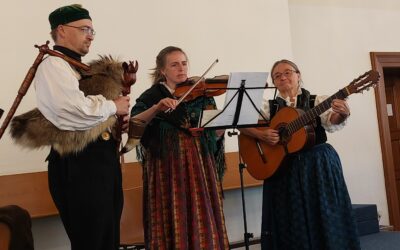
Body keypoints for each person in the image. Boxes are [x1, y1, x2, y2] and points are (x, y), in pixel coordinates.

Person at [34, 4, 130, 250]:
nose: (90, 35)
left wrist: (116, 122)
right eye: (85, 29)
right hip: (79, 165)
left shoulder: (77, 67)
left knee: (108, 240)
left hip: (101, 163)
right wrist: (112, 107)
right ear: (62, 30)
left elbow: (89, 114)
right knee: (91, 241)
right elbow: (71, 111)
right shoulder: (53, 66)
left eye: (92, 30)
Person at [241, 59, 361, 250]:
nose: (283, 77)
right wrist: (261, 134)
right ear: (273, 82)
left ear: (299, 75)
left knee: (324, 214)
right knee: (288, 217)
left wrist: (343, 114)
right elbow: (239, 122)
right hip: (282, 169)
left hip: (317, 165)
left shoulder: (317, 102)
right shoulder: (267, 107)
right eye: (277, 75)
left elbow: (332, 120)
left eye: (287, 72)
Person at [130, 46, 229, 249]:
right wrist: (157, 108)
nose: (181, 68)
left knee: (203, 216)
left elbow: (214, 135)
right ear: (163, 71)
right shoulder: (151, 96)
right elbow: (134, 124)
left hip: (200, 165)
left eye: (184, 63)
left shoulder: (201, 93)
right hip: (167, 167)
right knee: (172, 214)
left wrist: (222, 125)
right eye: (174, 64)